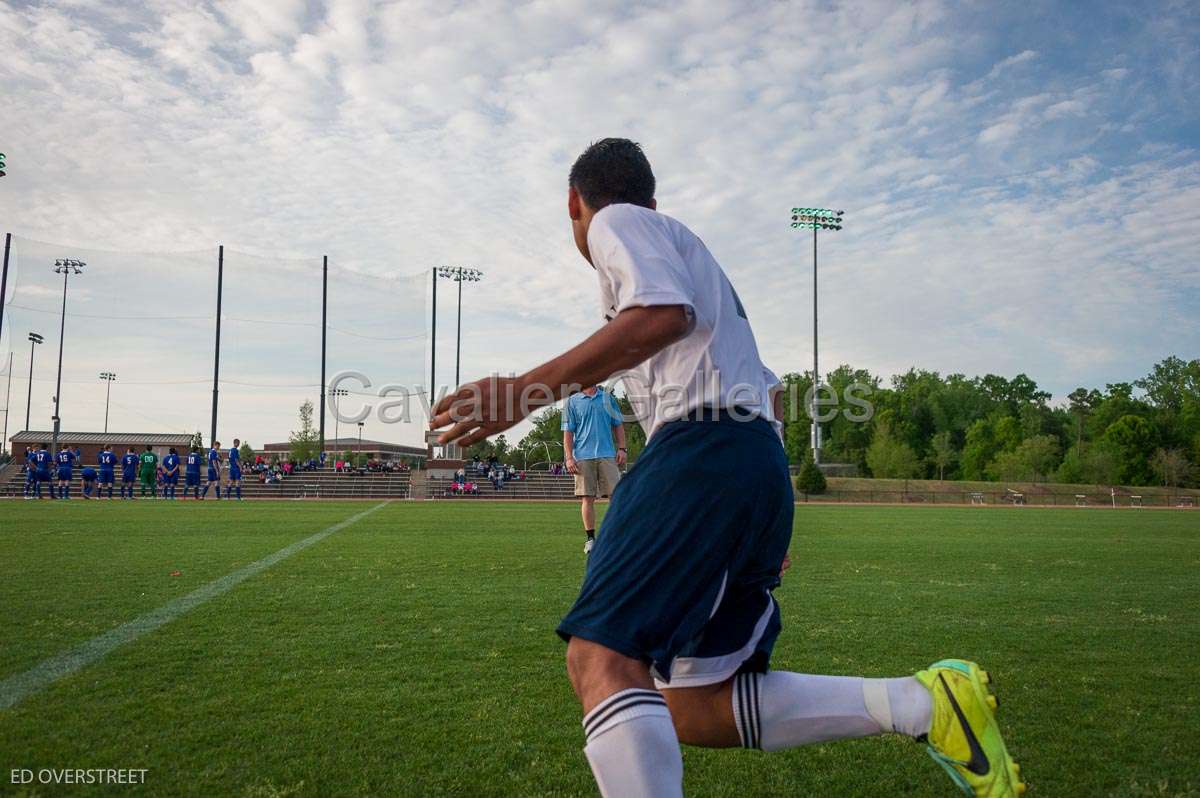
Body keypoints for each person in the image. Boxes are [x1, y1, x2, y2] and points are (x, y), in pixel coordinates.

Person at [429, 139, 1022, 798]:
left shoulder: (618, 222)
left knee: (601, 658)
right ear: (655, 200)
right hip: (746, 463)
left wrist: (526, 388)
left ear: (576, 203)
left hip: (702, 454)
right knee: (694, 704)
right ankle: (923, 705)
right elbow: (766, 392)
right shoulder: (695, 262)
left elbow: (663, 315)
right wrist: (755, 516)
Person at [562, 384, 627, 554]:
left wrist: (622, 448)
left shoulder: (608, 398)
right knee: (587, 498)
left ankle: (617, 536)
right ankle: (590, 539)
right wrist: (569, 457)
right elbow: (568, 432)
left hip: (607, 454)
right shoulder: (572, 402)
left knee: (616, 496)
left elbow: (618, 424)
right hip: (583, 456)